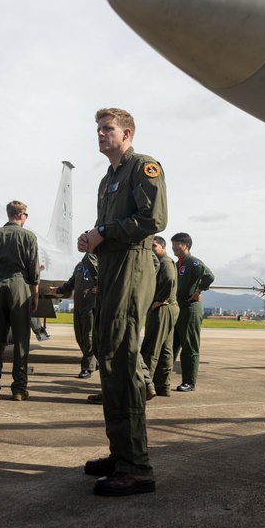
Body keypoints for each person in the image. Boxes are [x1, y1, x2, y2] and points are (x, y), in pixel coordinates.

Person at [77, 107, 166, 497]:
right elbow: (107, 230)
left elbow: (154, 219)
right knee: (109, 356)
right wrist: (92, 238)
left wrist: (104, 230)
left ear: (126, 133)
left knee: (124, 360)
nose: (100, 134)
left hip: (131, 266)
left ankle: (137, 465)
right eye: (98, 128)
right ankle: (121, 452)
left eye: (107, 128)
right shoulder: (107, 178)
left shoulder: (143, 167)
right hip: (111, 266)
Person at [0, 201, 39, 401]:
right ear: (22, 215)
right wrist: (35, 294)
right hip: (20, 286)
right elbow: (33, 269)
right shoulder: (29, 237)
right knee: (21, 339)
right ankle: (19, 388)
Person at [168, 232, 215, 392]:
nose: (174, 247)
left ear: (186, 246)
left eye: (177, 244)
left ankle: (189, 382)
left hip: (190, 307)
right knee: (171, 345)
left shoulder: (193, 263)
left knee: (189, 347)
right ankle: (163, 379)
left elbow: (209, 276)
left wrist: (198, 291)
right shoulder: (176, 264)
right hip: (177, 308)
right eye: (173, 244)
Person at [49, 253, 98, 378]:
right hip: (79, 306)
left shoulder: (101, 263)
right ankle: (94, 360)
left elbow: (111, 280)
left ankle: (87, 368)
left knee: (89, 337)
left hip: (91, 305)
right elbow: (71, 283)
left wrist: (101, 287)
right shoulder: (80, 266)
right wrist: (58, 290)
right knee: (79, 337)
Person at [141, 236, 178, 399]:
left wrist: (160, 299)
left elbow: (169, 280)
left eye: (154, 246)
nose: (152, 249)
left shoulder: (165, 262)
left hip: (163, 307)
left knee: (151, 348)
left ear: (163, 247)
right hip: (168, 307)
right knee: (165, 350)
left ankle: (144, 386)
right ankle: (163, 386)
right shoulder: (163, 261)